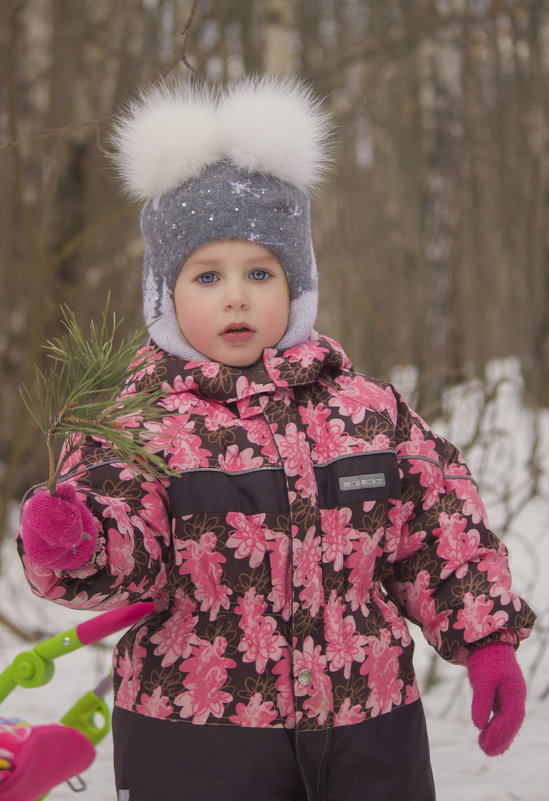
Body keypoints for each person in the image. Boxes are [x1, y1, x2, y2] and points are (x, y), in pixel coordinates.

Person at [17, 76, 535, 801]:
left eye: (260, 271)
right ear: (164, 296)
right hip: (196, 744)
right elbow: (122, 546)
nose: (236, 294)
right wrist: (75, 538)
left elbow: (438, 530)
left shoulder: (368, 412)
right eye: (206, 275)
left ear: (299, 284)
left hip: (368, 734)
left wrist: (486, 643)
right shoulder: (137, 422)